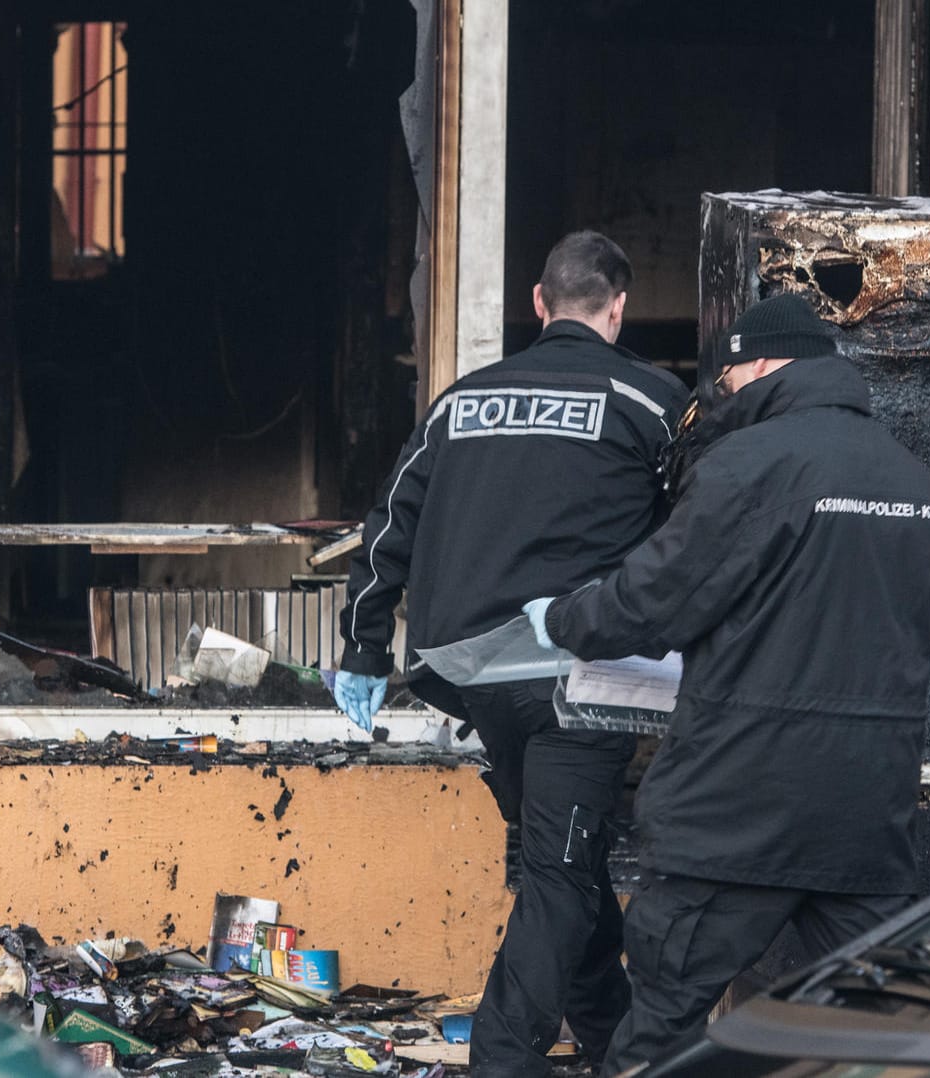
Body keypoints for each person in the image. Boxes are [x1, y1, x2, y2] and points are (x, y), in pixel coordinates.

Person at [523, 293, 930, 1074]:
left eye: (725, 377)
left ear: (758, 364)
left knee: (660, 1035)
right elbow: (926, 619)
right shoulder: (918, 484)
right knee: (887, 1038)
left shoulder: (749, 465)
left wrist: (561, 617)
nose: (721, 393)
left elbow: (649, 604)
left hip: (734, 818)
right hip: (864, 821)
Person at [332, 231, 687, 1077]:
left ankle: (618, 1049)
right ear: (618, 308)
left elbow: (387, 528)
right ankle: (502, 1062)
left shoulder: (462, 401)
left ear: (538, 302)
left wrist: (364, 648)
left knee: (566, 860)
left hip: (475, 673)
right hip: (585, 676)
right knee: (560, 875)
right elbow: (698, 536)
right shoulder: (652, 400)